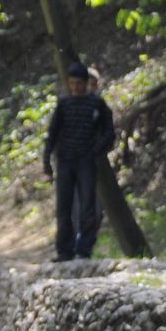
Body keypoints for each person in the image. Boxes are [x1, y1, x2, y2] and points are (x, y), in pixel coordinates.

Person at [43, 60, 115, 261]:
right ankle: (64, 250)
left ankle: (84, 248)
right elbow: (53, 132)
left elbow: (109, 132)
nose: (76, 87)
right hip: (65, 160)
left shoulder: (97, 105)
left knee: (87, 206)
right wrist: (46, 160)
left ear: (85, 83)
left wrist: (95, 150)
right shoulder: (64, 104)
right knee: (64, 207)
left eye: (79, 84)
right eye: (72, 83)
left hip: (85, 160)